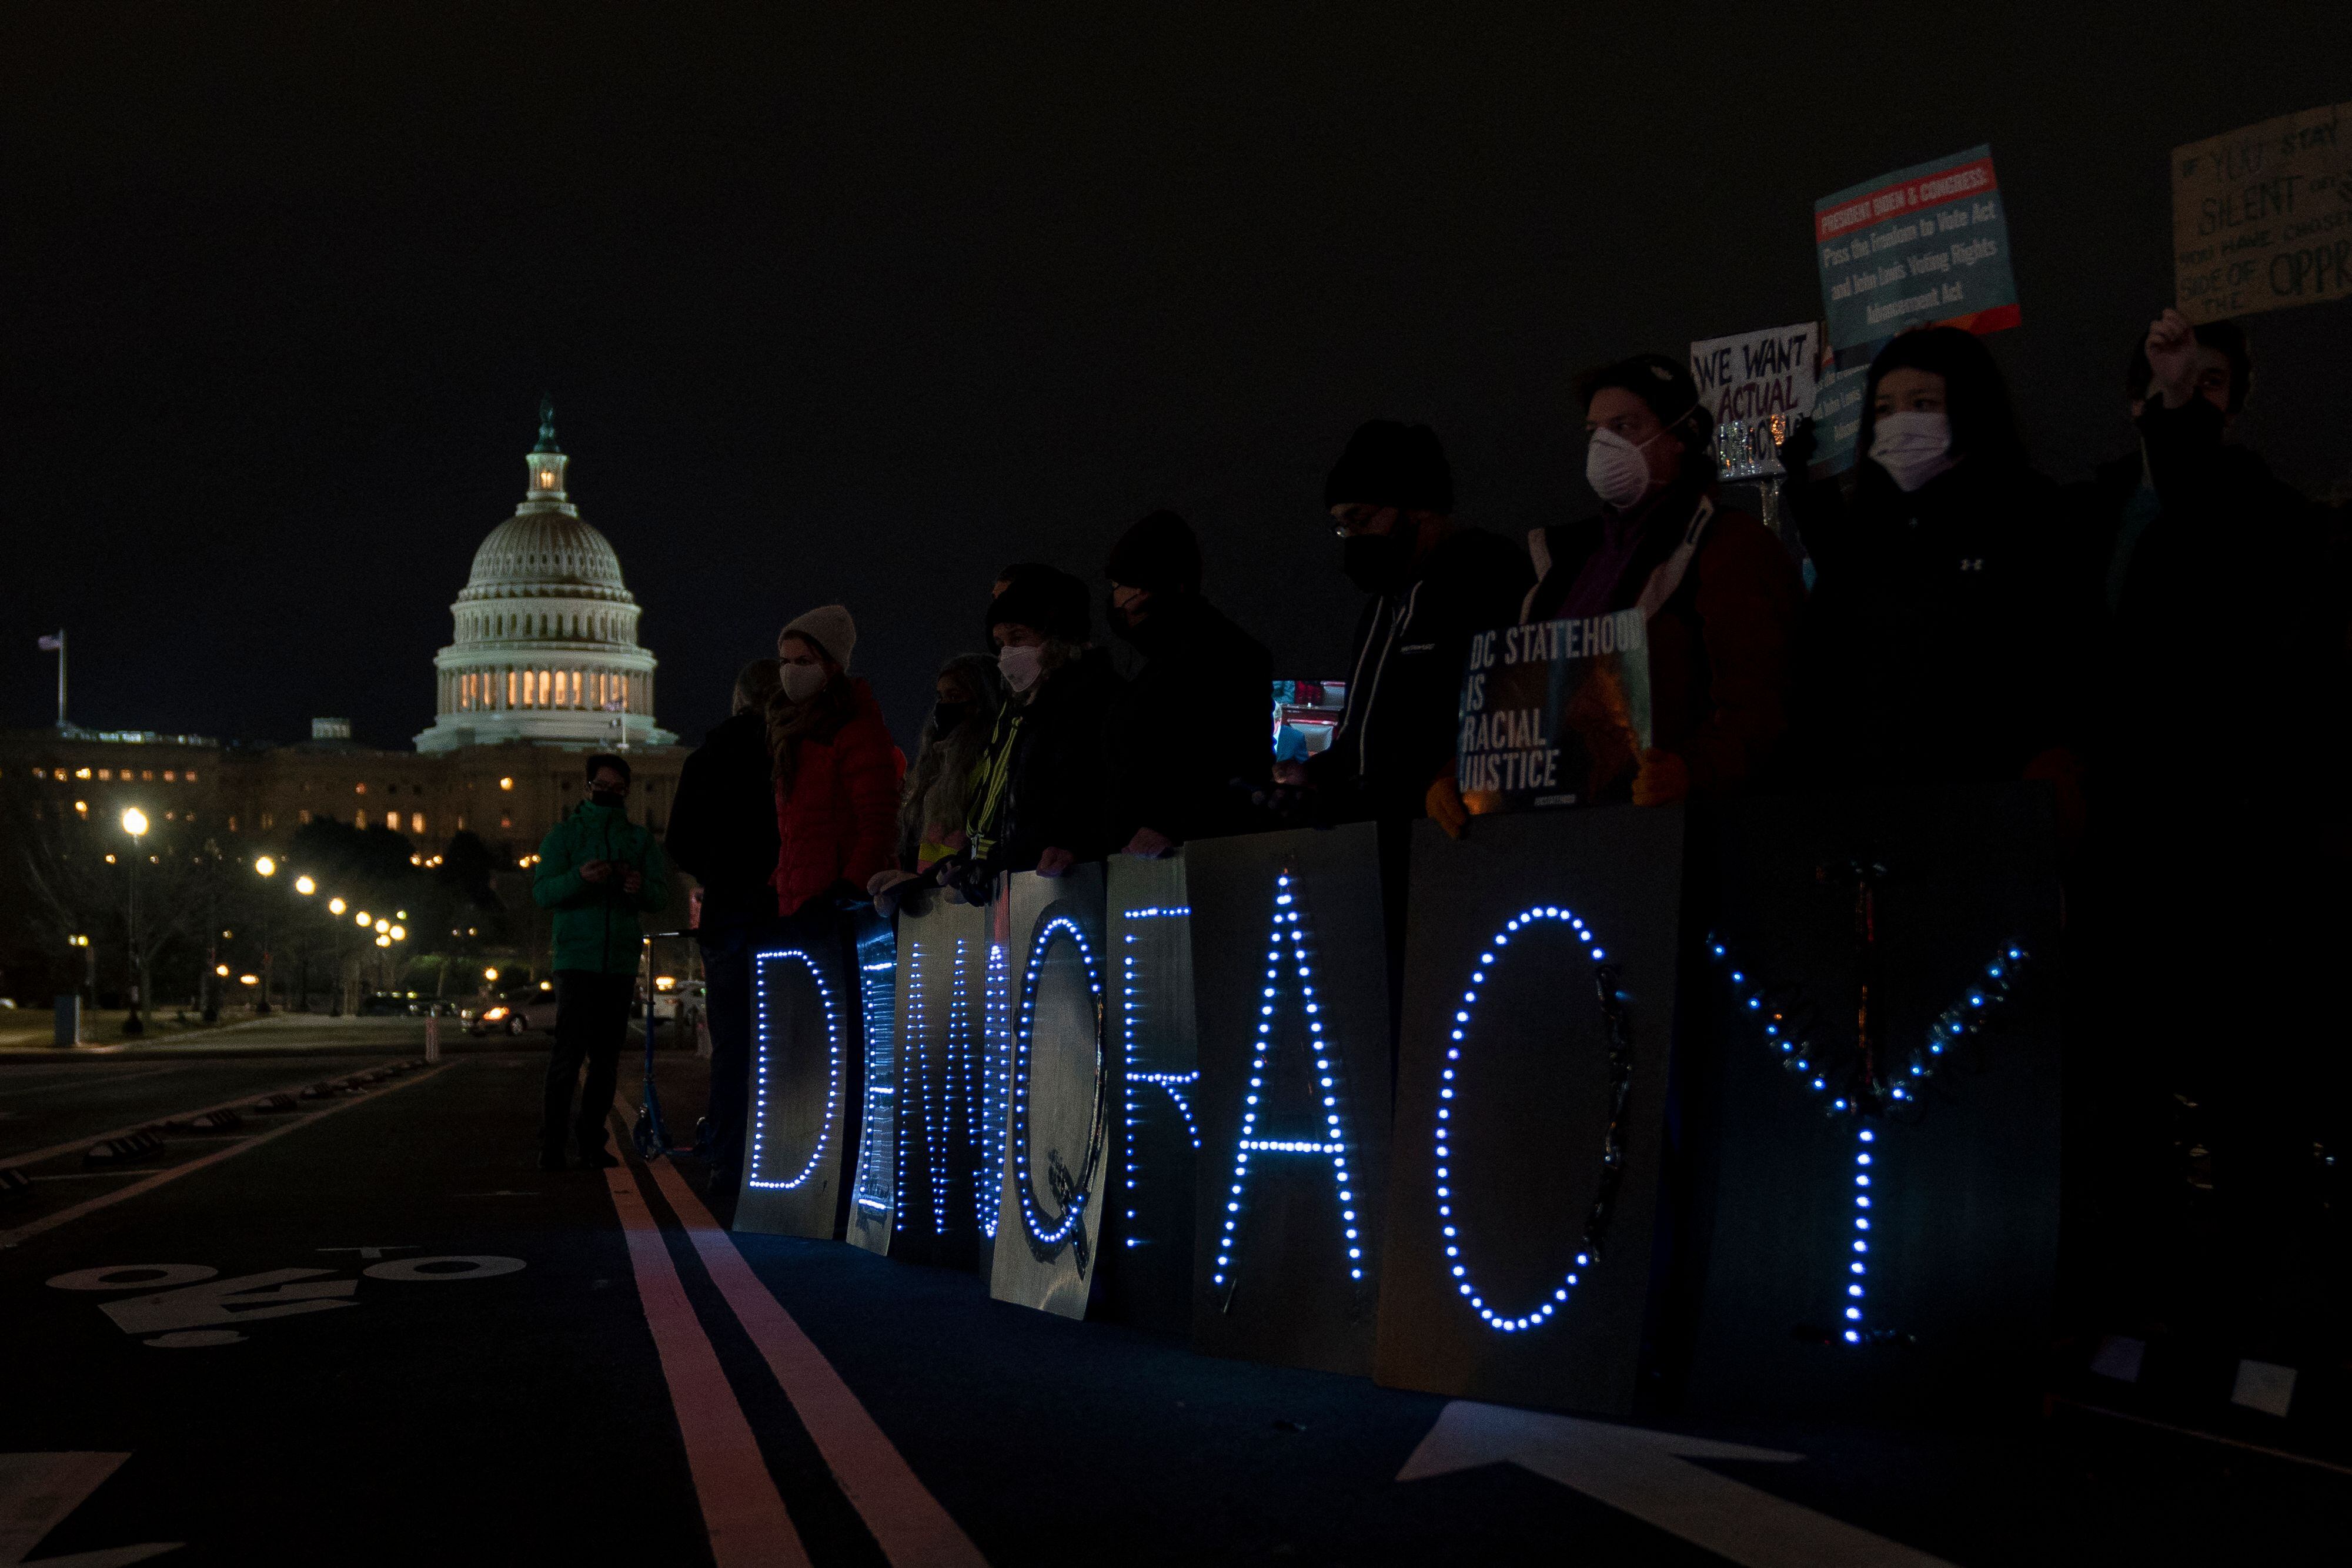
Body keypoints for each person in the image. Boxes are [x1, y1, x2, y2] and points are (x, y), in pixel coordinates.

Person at [1785, 327, 2085, 795]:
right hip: (1879, 810)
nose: (1900, 423)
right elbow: (1824, 672)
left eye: (1922, 404)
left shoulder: (2030, 514)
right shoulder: (1867, 532)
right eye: (1884, 410)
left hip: (1999, 805)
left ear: (1970, 405)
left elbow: (2068, 664)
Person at [1522, 355, 1802, 807]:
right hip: (1566, 830)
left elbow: (1763, 706)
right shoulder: (1569, 563)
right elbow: (1522, 700)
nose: (1605, 445)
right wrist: (1469, 779)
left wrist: (1693, 771)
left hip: (1679, 834)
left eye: (1625, 426)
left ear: (1680, 438)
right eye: (1596, 431)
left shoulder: (1729, 547)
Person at [1289, 420, 1533, 826]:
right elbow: (1362, 742)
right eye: (1342, 526)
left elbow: (1514, 719)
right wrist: (1312, 779)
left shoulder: (1489, 580)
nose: (1352, 538)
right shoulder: (1384, 608)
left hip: (1459, 833)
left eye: (1361, 519)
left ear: (1418, 508)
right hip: (1389, 835)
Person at [664, 657, 782, 1209]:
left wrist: (718, 873)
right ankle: (789, 1166)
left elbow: (680, 844)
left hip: (727, 917)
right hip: (786, 912)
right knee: (794, 1044)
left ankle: (729, 1167)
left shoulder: (703, 760)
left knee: (733, 1049)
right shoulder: (787, 755)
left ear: (737, 700)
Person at [944, 565, 1122, 897]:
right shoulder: (1033, 713)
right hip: (1038, 885)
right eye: (1000, 644)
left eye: (1019, 638)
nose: (1007, 655)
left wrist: (1001, 864)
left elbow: (1078, 797)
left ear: (1057, 638)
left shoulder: (1091, 704)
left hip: (1082, 887)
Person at [1104, 510, 1273, 854]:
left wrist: (1169, 824)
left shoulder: (1213, 655)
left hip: (1188, 859)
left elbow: (1223, 759)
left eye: (1118, 587)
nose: (1115, 601)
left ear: (1144, 590)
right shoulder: (1182, 654)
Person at [533, 753, 670, 1171]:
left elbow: (660, 897)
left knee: (606, 1061)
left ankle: (592, 1141)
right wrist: (581, 877)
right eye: (602, 786)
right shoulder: (564, 836)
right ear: (587, 787)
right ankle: (552, 1146)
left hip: (619, 959)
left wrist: (638, 886)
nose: (609, 794)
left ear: (626, 791)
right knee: (568, 1055)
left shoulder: (639, 840)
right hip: (577, 958)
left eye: (617, 788)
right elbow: (542, 893)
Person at [767, 606, 903, 918]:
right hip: (800, 904)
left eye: (804, 661)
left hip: (843, 906)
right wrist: (778, 883)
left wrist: (848, 888)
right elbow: (799, 834)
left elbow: (878, 823)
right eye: (784, 662)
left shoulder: (857, 730)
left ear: (833, 666)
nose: (790, 671)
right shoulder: (791, 732)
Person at [869, 651, 1005, 912]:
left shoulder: (992, 765)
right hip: (935, 902)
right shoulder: (935, 768)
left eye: (954, 697)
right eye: (941, 697)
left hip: (978, 900)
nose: (943, 706)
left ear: (983, 702)